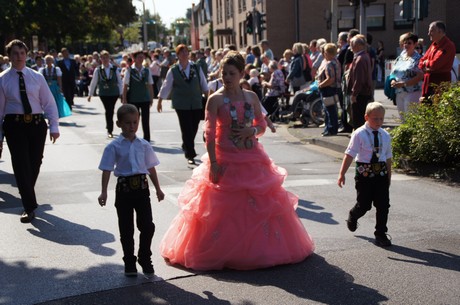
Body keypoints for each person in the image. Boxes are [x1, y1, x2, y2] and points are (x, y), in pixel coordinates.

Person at [159, 51, 314, 270]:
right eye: (224, 73)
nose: (227, 77)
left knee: (258, 204)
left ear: (241, 73)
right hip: (225, 157)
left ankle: (260, 250)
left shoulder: (251, 97)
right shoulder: (215, 99)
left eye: (232, 73)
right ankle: (224, 250)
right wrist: (213, 163)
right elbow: (209, 135)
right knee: (220, 208)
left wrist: (252, 129)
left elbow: (261, 126)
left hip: (252, 157)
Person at [98, 104, 164, 277]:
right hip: (124, 190)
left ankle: (144, 256)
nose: (132, 126)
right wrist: (104, 191)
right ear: (118, 124)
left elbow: (151, 168)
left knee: (147, 226)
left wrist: (158, 188)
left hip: (142, 189)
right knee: (126, 228)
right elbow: (106, 169)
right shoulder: (114, 146)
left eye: (135, 122)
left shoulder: (144, 145)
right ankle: (129, 260)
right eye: (127, 123)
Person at [0, 39, 60, 223]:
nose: (19, 57)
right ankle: (29, 206)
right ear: (9, 56)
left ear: (27, 55)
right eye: (15, 54)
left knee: (35, 162)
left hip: (36, 124)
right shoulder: (3, 79)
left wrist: (54, 126)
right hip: (14, 124)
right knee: (20, 163)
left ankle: (26, 189)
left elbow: (48, 102)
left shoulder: (37, 77)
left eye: (22, 53)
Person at [338, 102, 392, 247]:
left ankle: (380, 233)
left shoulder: (385, 135)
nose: (379, 122)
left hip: (380, 172)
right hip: (364, 173)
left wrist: (388, 177)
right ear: (366, 117)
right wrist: (342, 174)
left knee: (383, 205)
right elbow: (349, 154)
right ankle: (353, 215)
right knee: (364, 205)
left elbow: (388, 157)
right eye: (375, 119)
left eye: (381, 119)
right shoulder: (359, 134)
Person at [157, 44, 208, 165]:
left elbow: (203, 83)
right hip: (181, 104)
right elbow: (166, 86)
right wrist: (160, 101)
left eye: (186, 52)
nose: (185, 54)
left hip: (196, 102)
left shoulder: (196, 67)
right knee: (186, 127)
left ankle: (186, 144)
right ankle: (190, 153)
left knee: (194, 126)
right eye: (182, 52)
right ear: (178, 55)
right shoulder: (174, 70)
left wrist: (209, 98)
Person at [88, 50, 123, 138]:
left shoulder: (114, 69)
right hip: (104, 93)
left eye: (106, 58)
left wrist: (122, 93)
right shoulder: (98, 70)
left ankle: (109, 125)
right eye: (103, 58)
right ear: (100, 59)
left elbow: (120, 82)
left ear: (109, 59)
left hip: (114, 93)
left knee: (111, 110)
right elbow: (94, 82)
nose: (105, 60)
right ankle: (110, 129)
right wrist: (90, 94)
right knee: (108, 110)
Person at [389, 33, 424, 121]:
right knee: (403, 119)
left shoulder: (418, 59)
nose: (406, 45)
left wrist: (404, 84)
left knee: (411, 119)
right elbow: (393, 72)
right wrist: (393, 80)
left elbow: (420, 76)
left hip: (412, 92)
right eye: (405, 43)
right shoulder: (401, 57)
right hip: (399, 92)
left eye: (409, 43)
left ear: (415, 44)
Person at [419, 21, 456, 101]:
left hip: (439, 83)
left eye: (431, 31)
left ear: (440, 31)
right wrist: (425, 64)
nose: (429, 34)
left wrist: (426, 63)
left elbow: (435, 64)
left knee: (437, 109)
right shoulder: (434, 44)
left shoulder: (448, 46)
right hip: (428, 83)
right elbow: (421, 61)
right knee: (426, 109)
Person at [122, 51, 154, 142]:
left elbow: (150, 85)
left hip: (145, 98)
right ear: (134, 59)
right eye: (139, 57)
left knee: (146, 119)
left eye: (142, 57)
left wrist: (151, 97)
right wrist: (124, 99)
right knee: (133, 119)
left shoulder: (146, 70)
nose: (141, 59)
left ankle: (147, 138)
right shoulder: (129, 71)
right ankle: (132, 136)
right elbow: (125, 85)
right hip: (134, 98)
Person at [347, 34, 373, 130]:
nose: (351, 47)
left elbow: (359, 79)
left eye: (352, 45)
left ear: (358, 46)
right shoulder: (364, 56)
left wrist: (354, 94)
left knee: (358, 120)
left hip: (360, 94)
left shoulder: (360, 59)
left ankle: (359, 141)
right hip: (363, 92)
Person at [317, 43, 341, 137]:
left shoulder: (329, 63)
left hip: (328, 89)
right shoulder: (336, 61)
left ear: (327, 53)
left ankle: (331, 129)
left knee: (329, 110)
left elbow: (330, 79)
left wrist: (321, 85)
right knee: (332, 109)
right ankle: (329, 128)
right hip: (335, 88)